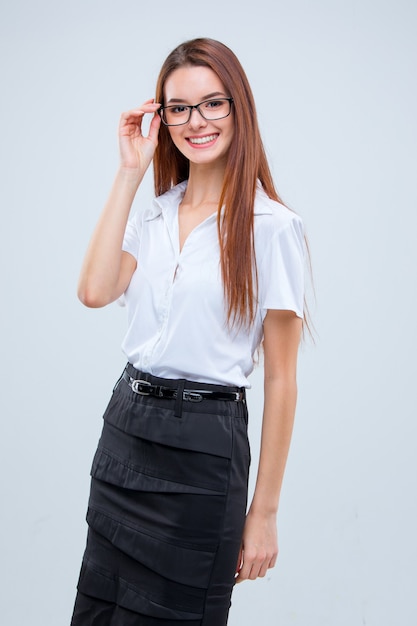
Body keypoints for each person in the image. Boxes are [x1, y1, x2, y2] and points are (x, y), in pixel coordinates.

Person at [70, 37, 307, 626]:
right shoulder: (153, 213)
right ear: (162, 117)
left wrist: (265, 512)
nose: (196, 121)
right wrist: (130, 172)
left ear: (238, 108)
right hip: (125, 435)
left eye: (212, 103)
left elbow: (281, 378)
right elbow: (95, 290)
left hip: (205, 449)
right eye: (179, 107)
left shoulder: (273, 228)